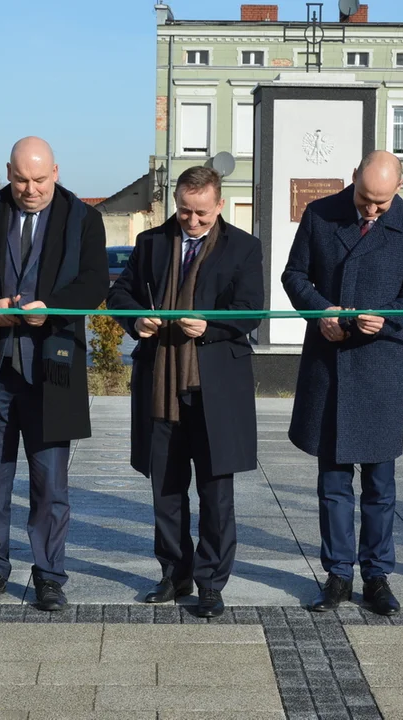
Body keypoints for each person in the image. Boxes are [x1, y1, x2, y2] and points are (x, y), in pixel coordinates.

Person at [0, 137, 108, 611]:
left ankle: (49, 576)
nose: (30, 189)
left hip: (51, 370)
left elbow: (94, 281)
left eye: (39, 180)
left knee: (50, 482)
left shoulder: (84, 218)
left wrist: (53, 310)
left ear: (56, 171)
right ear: (7, 172)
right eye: (20, 179)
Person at [107, 167, 264, 618]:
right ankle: (174, 575)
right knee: (167, 489)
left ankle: (211, 583)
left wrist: (210, 326)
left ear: (219, 204)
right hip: (161, 384)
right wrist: (136, 321)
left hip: (215, 386)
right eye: (183, 211)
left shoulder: (243, 247)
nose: (191, 221)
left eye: (200, 213)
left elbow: (251, 311)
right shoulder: (151, 242)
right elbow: (121, 295)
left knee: (216, 493)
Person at [282, 150, 403, 615]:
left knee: (380, 485)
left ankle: (378, 575)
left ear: (398, 190)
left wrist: (385, 319)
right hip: (329, 363)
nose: (370, 210)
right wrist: (319, 310)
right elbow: (294, 275)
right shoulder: (321, 212)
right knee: (332, 483)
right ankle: (338, 575)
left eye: (380, 204)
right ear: (353, 180)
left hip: (379, 365)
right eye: (365, 199)